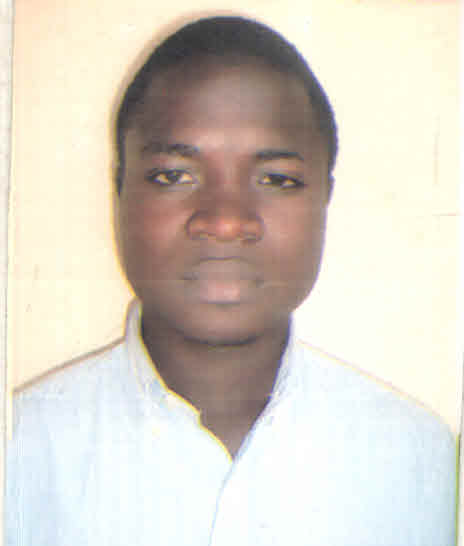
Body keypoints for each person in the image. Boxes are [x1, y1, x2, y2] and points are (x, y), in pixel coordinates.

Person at [6, 16, 456, 546]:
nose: (223, 220)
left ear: (325, 199)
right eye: (174, 176)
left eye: (276, 179)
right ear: (119, 190)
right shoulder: (20, 451)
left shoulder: (424, 465)